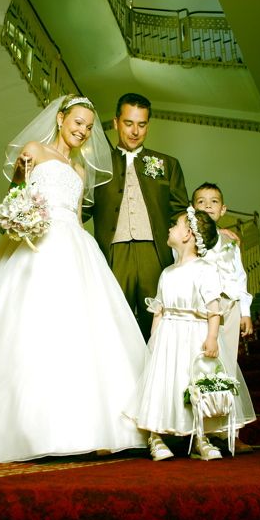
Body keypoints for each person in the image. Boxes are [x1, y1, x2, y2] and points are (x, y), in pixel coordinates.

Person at [0, 94, 148, 463]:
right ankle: (20, 429)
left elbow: (76, 213)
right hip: (36, 242)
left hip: (74, 247)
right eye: (78, 122)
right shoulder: (34, 150)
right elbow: (14, 195)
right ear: (61, 119)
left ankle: (86, 428)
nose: (83, 131)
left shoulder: (80, 170)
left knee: (81, 331)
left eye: (89, 127)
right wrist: (22, 184)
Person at [124, 208, 255, 461]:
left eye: (176, 225)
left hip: (195, 334)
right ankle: (156, 437)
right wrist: (154, 339)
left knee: (193, 384)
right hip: (168, 337)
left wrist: (212, 337)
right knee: (163, 385)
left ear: (188, 235)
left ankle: (200, 437)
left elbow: (213, 309)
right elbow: (159, 310)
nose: (170, 228)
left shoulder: (205, 269)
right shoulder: (167, 273)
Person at [83, 92, 189, 341]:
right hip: (113, 253)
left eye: (141, 124)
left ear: (148, 125)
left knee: (158, 324)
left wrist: (213, 228)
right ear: (115, 122)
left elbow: (181, 211)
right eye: (128, 123)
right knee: (115, 325)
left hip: (155, 252)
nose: (135, 131)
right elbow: (81, 210)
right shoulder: (96, 166)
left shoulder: (167, 164)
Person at [192, 182, 256, 454]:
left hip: (230, 306)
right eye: (201, 201)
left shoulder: (230, 241)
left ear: (224, 209)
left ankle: (231, 431)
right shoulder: (190, 238)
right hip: (204, 309)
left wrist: (245, 311)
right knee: (204, 366)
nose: (208, 206)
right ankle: (204, 431)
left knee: (228, 368)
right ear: (192, 208)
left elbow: (239, 276)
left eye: (214, 201)